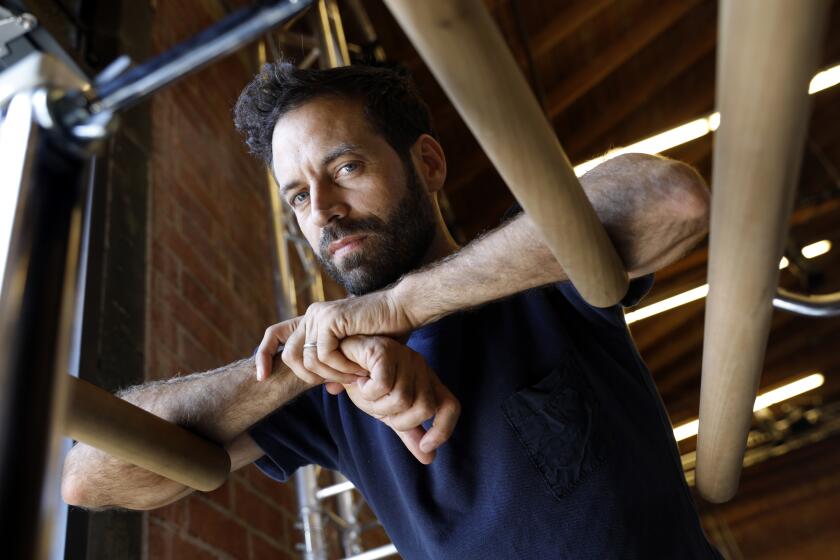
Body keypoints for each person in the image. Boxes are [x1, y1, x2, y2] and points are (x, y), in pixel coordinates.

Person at [62, 62, 720, 558]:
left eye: (345, 167)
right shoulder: (327, 390)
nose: (321, 209)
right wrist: (313, 362)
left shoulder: (538, 272)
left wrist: (398, 307)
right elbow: (89, 477)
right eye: (297, 196)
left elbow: (672, 201)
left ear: (428, 163)